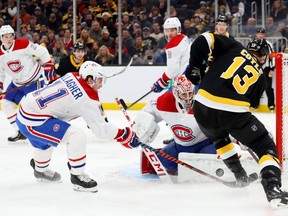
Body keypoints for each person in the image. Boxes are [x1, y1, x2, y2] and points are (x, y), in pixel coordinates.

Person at [185, 32, 288, 207]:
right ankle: (272, 188)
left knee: (219, 137)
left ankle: (240, 176)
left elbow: (203, 39)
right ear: (263, 57)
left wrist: (195, 67)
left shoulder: (233, 46)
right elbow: (250, 107)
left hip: (201, 107)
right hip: (232, 112)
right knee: (265, 145)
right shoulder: (262, 78)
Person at [15, 61, 140, 192]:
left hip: (27, 110)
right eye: (99, 80)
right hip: (34, 121)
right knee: (76, 136)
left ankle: (40, 170)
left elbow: (70, 101)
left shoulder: (72, 75)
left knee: (45, 143)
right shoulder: (88, 98)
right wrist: (125, 135)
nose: (101, 84)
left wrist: (92, 116)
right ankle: (77, 176)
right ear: (90, 79)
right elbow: (101, 130)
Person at [134, 75, 216, 175]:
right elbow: (148, 111)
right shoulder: (165, 101)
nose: (188, 99)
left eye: (190, 93)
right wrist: (140, 130)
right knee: (163, 161)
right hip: (181, 147)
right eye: (184, 95)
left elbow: (224, 124)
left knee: (209, 162)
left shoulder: (204, 103)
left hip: (206, 144)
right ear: (176, 93)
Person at [0, 25, 55, 143]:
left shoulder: (23, 43)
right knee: (5, 104)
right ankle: (20, 131)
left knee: (37, 108)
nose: (9, 39)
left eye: (11, 36)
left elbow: (42, 51)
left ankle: (47, 130)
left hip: (34, 80)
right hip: (17, 84)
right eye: (5, 37)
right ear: (1, 38)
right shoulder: (0, 54)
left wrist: (48, 63)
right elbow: (0, 72)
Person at [152, 17, 191, 93]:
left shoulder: (174, 44)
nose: (169, 33)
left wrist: (161, 82)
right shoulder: (184, 38)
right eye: (167, 30)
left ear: (178, 30)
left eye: (172, 30)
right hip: (192, 79)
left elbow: (173, 71)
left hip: (185, 82)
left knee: (162, 102)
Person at [255, 27, 276, 112]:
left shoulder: (268, 44)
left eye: (262, 34)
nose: (260, 35)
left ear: (264, 35)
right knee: (255, 87)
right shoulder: (252, 44)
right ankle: (255, 104)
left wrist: (272, 68)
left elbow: (272, 56)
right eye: (259, 34)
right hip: (255, 69)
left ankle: (271, 105)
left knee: (268, 87)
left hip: (267, 68)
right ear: (256, 34)